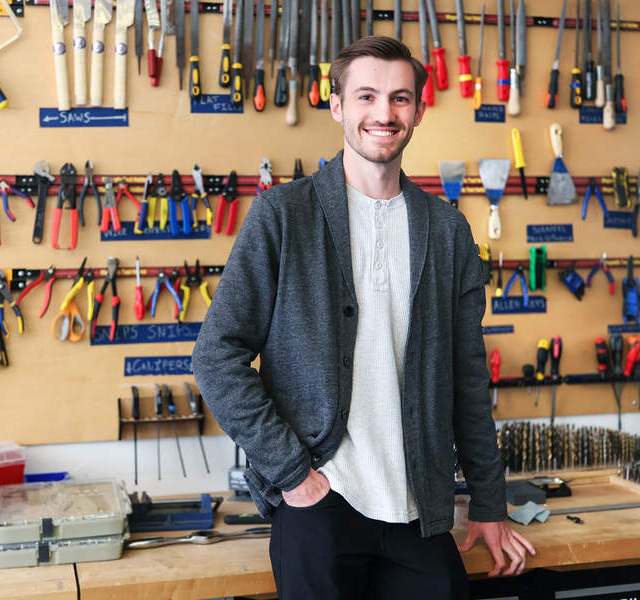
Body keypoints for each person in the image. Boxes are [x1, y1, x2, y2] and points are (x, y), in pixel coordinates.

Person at [191, 36, 534, 599]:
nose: (383, 113)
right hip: (321, 504)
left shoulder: (447, 232)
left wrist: (489, 503)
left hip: (417, 508)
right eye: (367, 96)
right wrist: (293, 475)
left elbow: (469, 380)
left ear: (419, 111)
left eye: (400, 99)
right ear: (337, 105)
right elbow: (216, 355)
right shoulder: (284, 215)